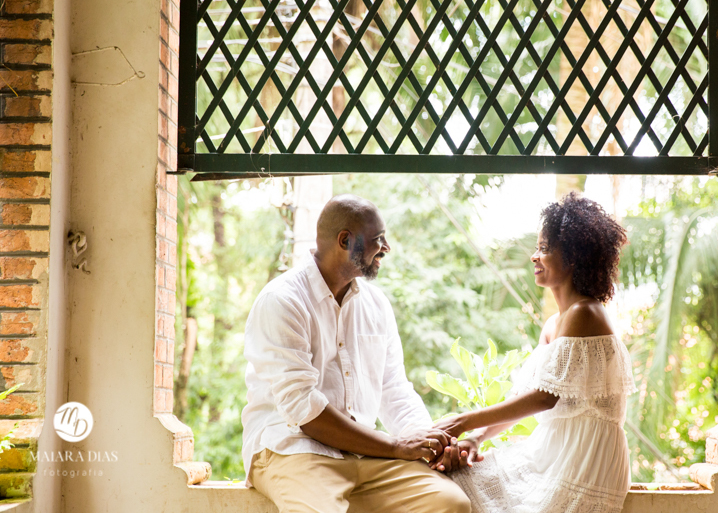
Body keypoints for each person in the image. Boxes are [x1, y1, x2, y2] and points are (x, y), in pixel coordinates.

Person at [241, 194, 471, 513]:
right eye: (378, 239)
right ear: (345, 240)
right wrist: (396, 446)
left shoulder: (376, 305)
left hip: (364, 455)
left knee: (450, 503)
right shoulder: (282, 301)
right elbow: (304, 409)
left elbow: (394, 389)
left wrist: (430, 442)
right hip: (292, 449)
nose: (386, 248)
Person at [434, 192, 636, 513]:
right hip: (553, 452)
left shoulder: (586, 313)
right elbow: (527, 396)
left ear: (572, 257)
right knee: (453, 482)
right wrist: (476, 438)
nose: (534, 256)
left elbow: (545, 398)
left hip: (585, 458)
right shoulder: (555, 323)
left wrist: (462, 421)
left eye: (544, 249)